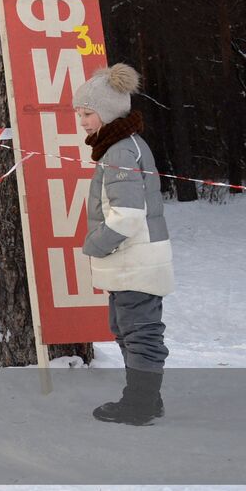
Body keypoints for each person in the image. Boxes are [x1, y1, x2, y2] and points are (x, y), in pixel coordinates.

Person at [73, 63, 174, 425]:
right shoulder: (120, 145)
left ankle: (141, 404)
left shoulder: (119, 150)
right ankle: (147, 397)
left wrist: (95, 245)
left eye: (87, 113)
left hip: (136, 259)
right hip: (130, 260)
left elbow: (128, 214)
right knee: (125, 326)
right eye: (79, 114)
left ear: (108, 111)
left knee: (139, 331)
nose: (82, 121)